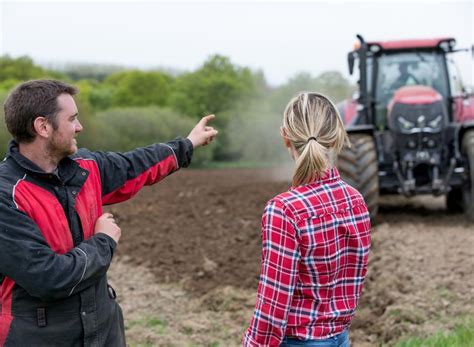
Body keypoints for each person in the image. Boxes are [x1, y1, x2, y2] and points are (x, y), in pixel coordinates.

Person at [0, 79, 217, 346]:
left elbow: (134, 164)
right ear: (43, 126)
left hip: (103, 327)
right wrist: (104, 241)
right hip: (38, 337)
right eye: (72, 119)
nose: (80, 127)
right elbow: (49, 278)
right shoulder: (7, 196)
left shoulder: (85, 167)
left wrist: (188, 144)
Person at [243, 92, 371, 347]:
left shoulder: (283, 210)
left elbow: (274, 303)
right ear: (336, 137)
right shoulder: (355, 200)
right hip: (340, 338)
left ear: (285, 138)